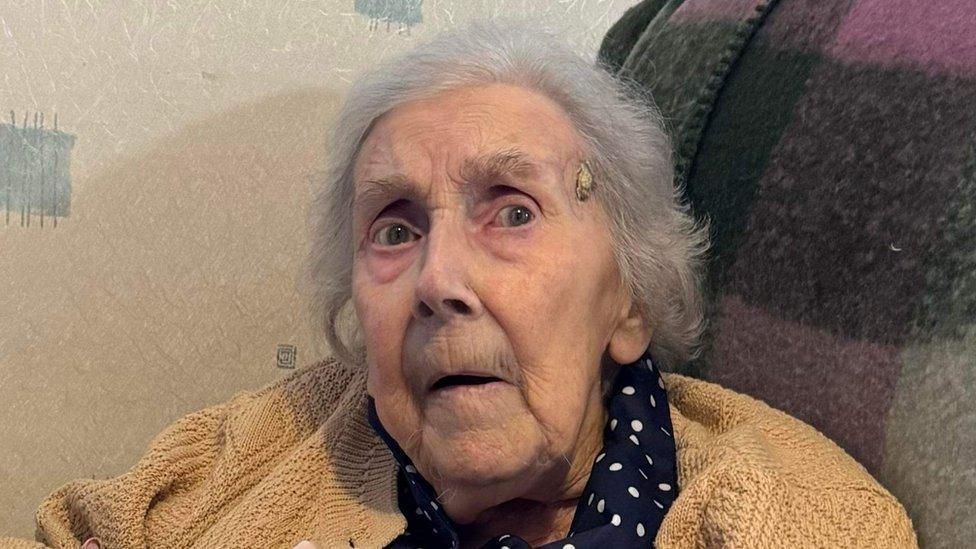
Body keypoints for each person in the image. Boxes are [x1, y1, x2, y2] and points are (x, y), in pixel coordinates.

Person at [2, 19, 916, 549]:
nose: (439, 280)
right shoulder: (270, 444)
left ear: (629, 295)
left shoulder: (795, 518)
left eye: (512, 210)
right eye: (394, 228)